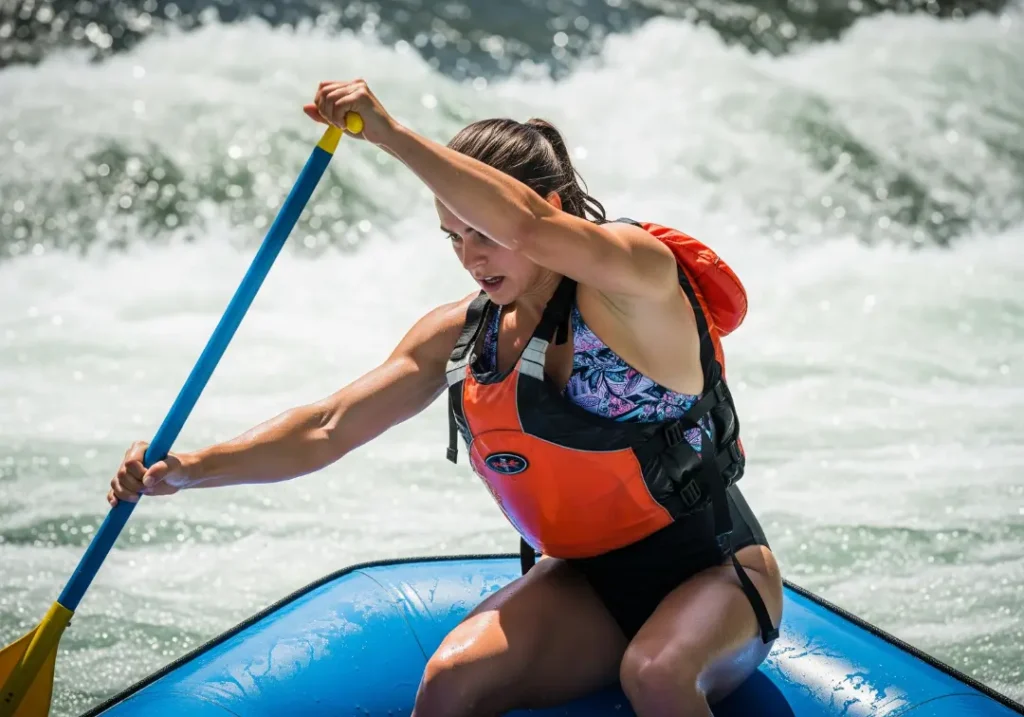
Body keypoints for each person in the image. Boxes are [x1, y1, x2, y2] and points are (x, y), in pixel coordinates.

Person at [108, 78, 784, 717]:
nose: (471, 257)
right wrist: (189, 469)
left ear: (551, 206)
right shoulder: (463, 335)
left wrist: (390, 134)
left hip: (715, 569)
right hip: (587, 582)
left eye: (482, 233)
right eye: (454, 238)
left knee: (657, 672)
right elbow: (328, 426)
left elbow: (527, 228)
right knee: (449, 680)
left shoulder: (633, 278)